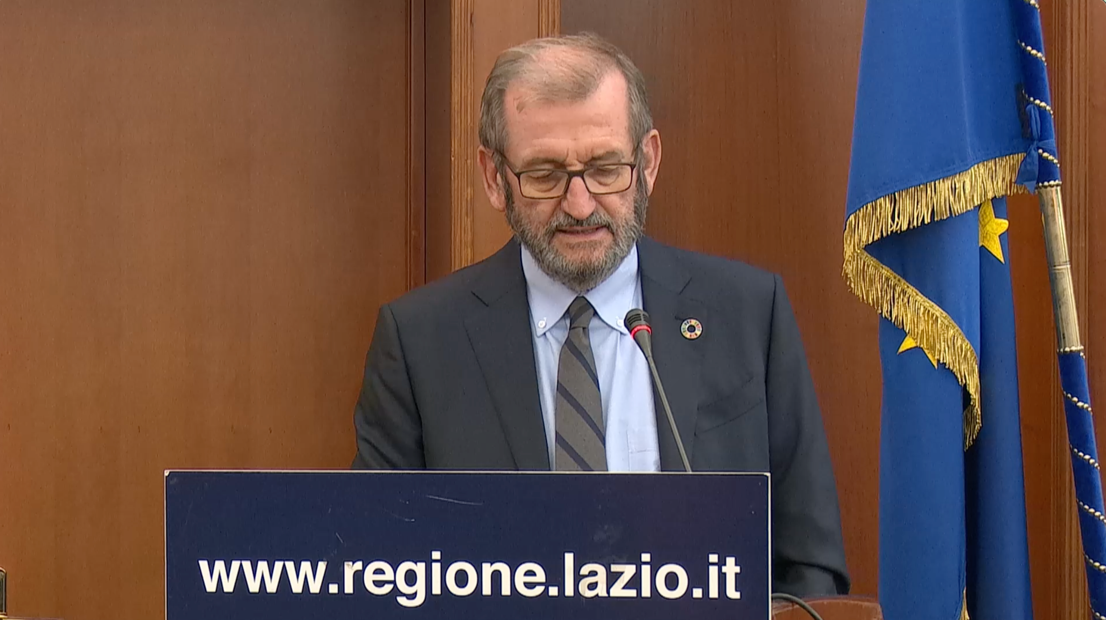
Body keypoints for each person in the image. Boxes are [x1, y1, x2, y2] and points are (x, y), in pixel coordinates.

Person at [351, 33, 849, 596]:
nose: (580, 204)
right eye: (545, 175)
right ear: (494, 178)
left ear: (649, 162)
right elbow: (376, 574)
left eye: (607, 168)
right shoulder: (421, 343)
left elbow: (809, 567)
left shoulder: (747, 314)